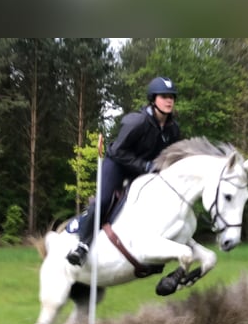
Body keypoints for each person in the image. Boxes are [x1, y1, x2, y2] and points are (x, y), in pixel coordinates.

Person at [67, 76, 182, 266]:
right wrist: (145, 166)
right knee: (104, 200)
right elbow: (118, 151)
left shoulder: (173, 129)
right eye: (164, 96)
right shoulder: (137, 122)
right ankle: (82, 246)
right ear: (153, 99)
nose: (169, 100)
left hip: (144, 172)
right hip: (117, 165)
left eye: (172, 97)